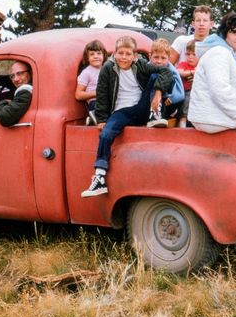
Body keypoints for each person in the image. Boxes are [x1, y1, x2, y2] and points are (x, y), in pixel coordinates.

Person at [81, 36, 174, 197]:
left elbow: (166, 72)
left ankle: (155, 114)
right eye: (120, 53)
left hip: (143, 106)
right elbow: (102, 94)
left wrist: (158, 92)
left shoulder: (141, 65)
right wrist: (102, 118)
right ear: (114, 54)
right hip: (121, 111)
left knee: (155, 76)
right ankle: (99, 177)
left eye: (128, 54)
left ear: (134, 56)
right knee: (106, 134)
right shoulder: (108, 68)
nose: (124, 57)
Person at [187, 11, 236, 136]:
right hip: (212, 119)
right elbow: (220, 89)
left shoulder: (228, 52)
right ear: (224, 33)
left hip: (215, 116)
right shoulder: (219, 53)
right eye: (234, 32)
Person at [148, 38, 185, 124]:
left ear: (169, 58)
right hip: (150, 100)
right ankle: (152, 113)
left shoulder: (172, 70)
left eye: (163, 58)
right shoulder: (147, 67)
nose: (159, 61)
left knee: (158, 76)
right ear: (150, 56)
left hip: (170, 101)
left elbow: (180, 94)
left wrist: (168, 100)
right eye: (156, 57)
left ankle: (156, 114)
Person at [0, 61, 33, 127]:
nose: (15, 79)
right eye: (12, 76)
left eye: (20, 73)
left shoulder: (26, 91)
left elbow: (4, 117)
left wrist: (4, 102)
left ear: (30, 73)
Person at [75, 39, 107, 112]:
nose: (96, 56)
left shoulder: (106, 70)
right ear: (87, 58)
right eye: (92, 54)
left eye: (99, 53)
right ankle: (95, 116)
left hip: (108, 100)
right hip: (95, 102)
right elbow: (78, 95)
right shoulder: (86, 73)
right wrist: (97, 93)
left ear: (104, 55)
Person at [176, 39, 199, 127]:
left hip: (196, 92)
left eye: (194, 54)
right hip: (183, 91)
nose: (190, 57)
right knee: (187, 99)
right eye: (188, 54)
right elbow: (179, 72)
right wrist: (191, 73)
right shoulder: (184, 64)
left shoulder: (201, 66)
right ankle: (182, 122)